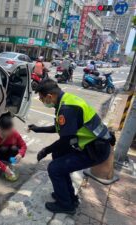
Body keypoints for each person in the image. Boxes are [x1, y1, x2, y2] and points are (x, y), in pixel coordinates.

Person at [28, 79, 114, 215]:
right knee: (58, 156)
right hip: (89, 143)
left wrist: (45, 150)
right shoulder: (65, 100)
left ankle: (66, 204)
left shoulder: (67, 108)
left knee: (54, 168)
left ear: (49, 96)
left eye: (41, 97)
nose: (41, 100)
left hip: (95, 150)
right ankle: (69, 197)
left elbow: (66, 140)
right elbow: (61, 128)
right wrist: (38, 129)